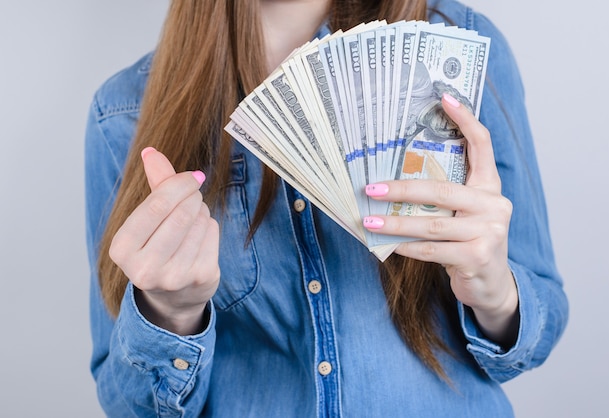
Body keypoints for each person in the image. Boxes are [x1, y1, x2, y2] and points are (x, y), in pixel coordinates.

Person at [84, 0, 568, 416]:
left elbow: (539, 330)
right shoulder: (123, 111)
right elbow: (126, 404)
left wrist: (496, 293)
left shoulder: (462, 42)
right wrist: (168, 314)